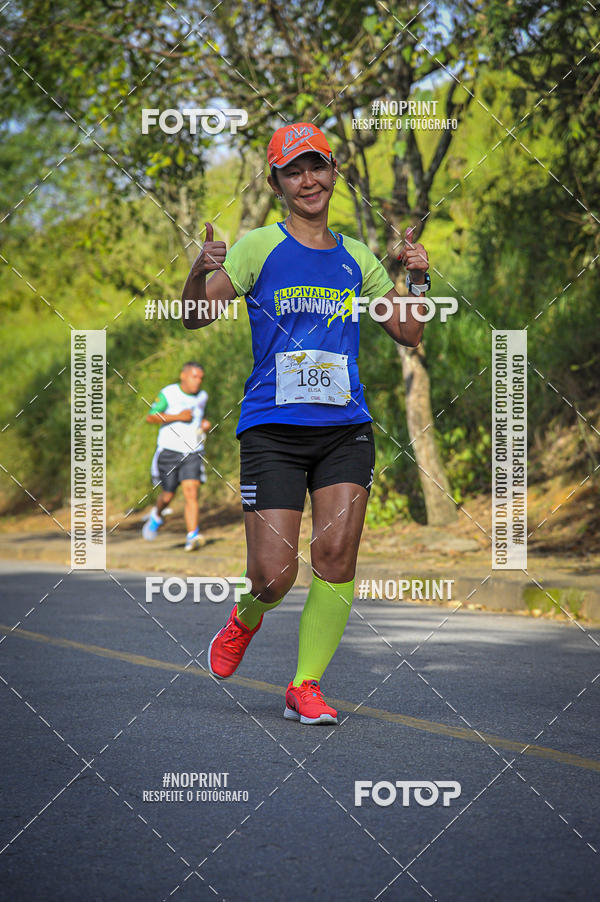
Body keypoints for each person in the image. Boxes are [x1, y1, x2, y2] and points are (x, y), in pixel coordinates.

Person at [182, 122, 430, 724]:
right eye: (293, 171)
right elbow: (195, 315)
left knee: (336, 556)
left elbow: (409, 330)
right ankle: (246, 617)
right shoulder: (257, 247)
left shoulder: (357, 257)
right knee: (274, 575)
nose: (308, 180)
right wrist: (197, 271)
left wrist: (417, 278)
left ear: (333, 172)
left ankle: (305, 685)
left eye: (317, 166)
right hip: (272, 429)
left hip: (345, 428)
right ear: (277, 184)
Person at [143, 362, 211, 552]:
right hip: (169, 451)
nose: (198, 381)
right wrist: (178, 416)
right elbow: (151, 416)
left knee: (191, 491)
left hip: (193, 451)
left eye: (201, 378)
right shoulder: (169, 393)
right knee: (168, 494)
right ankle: (156, 515)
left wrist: (205, 424)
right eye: (194, 376)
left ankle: (192, 536)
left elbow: (200, 417)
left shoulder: (203, 396)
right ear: (183, 376)